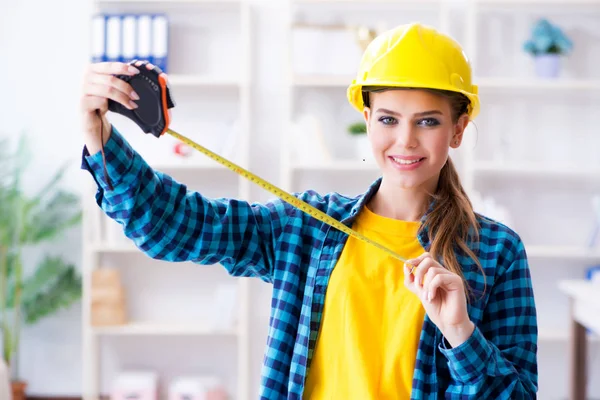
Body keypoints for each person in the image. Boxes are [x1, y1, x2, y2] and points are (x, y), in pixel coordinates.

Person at [80, 22, 538, 399]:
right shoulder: (308, 228)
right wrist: (96, 135)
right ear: (366, 119)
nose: (405, 141)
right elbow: (173, 226)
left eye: (428, 121)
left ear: (458, 130)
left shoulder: (495, 252)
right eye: (388, 119)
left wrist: (460, 333)